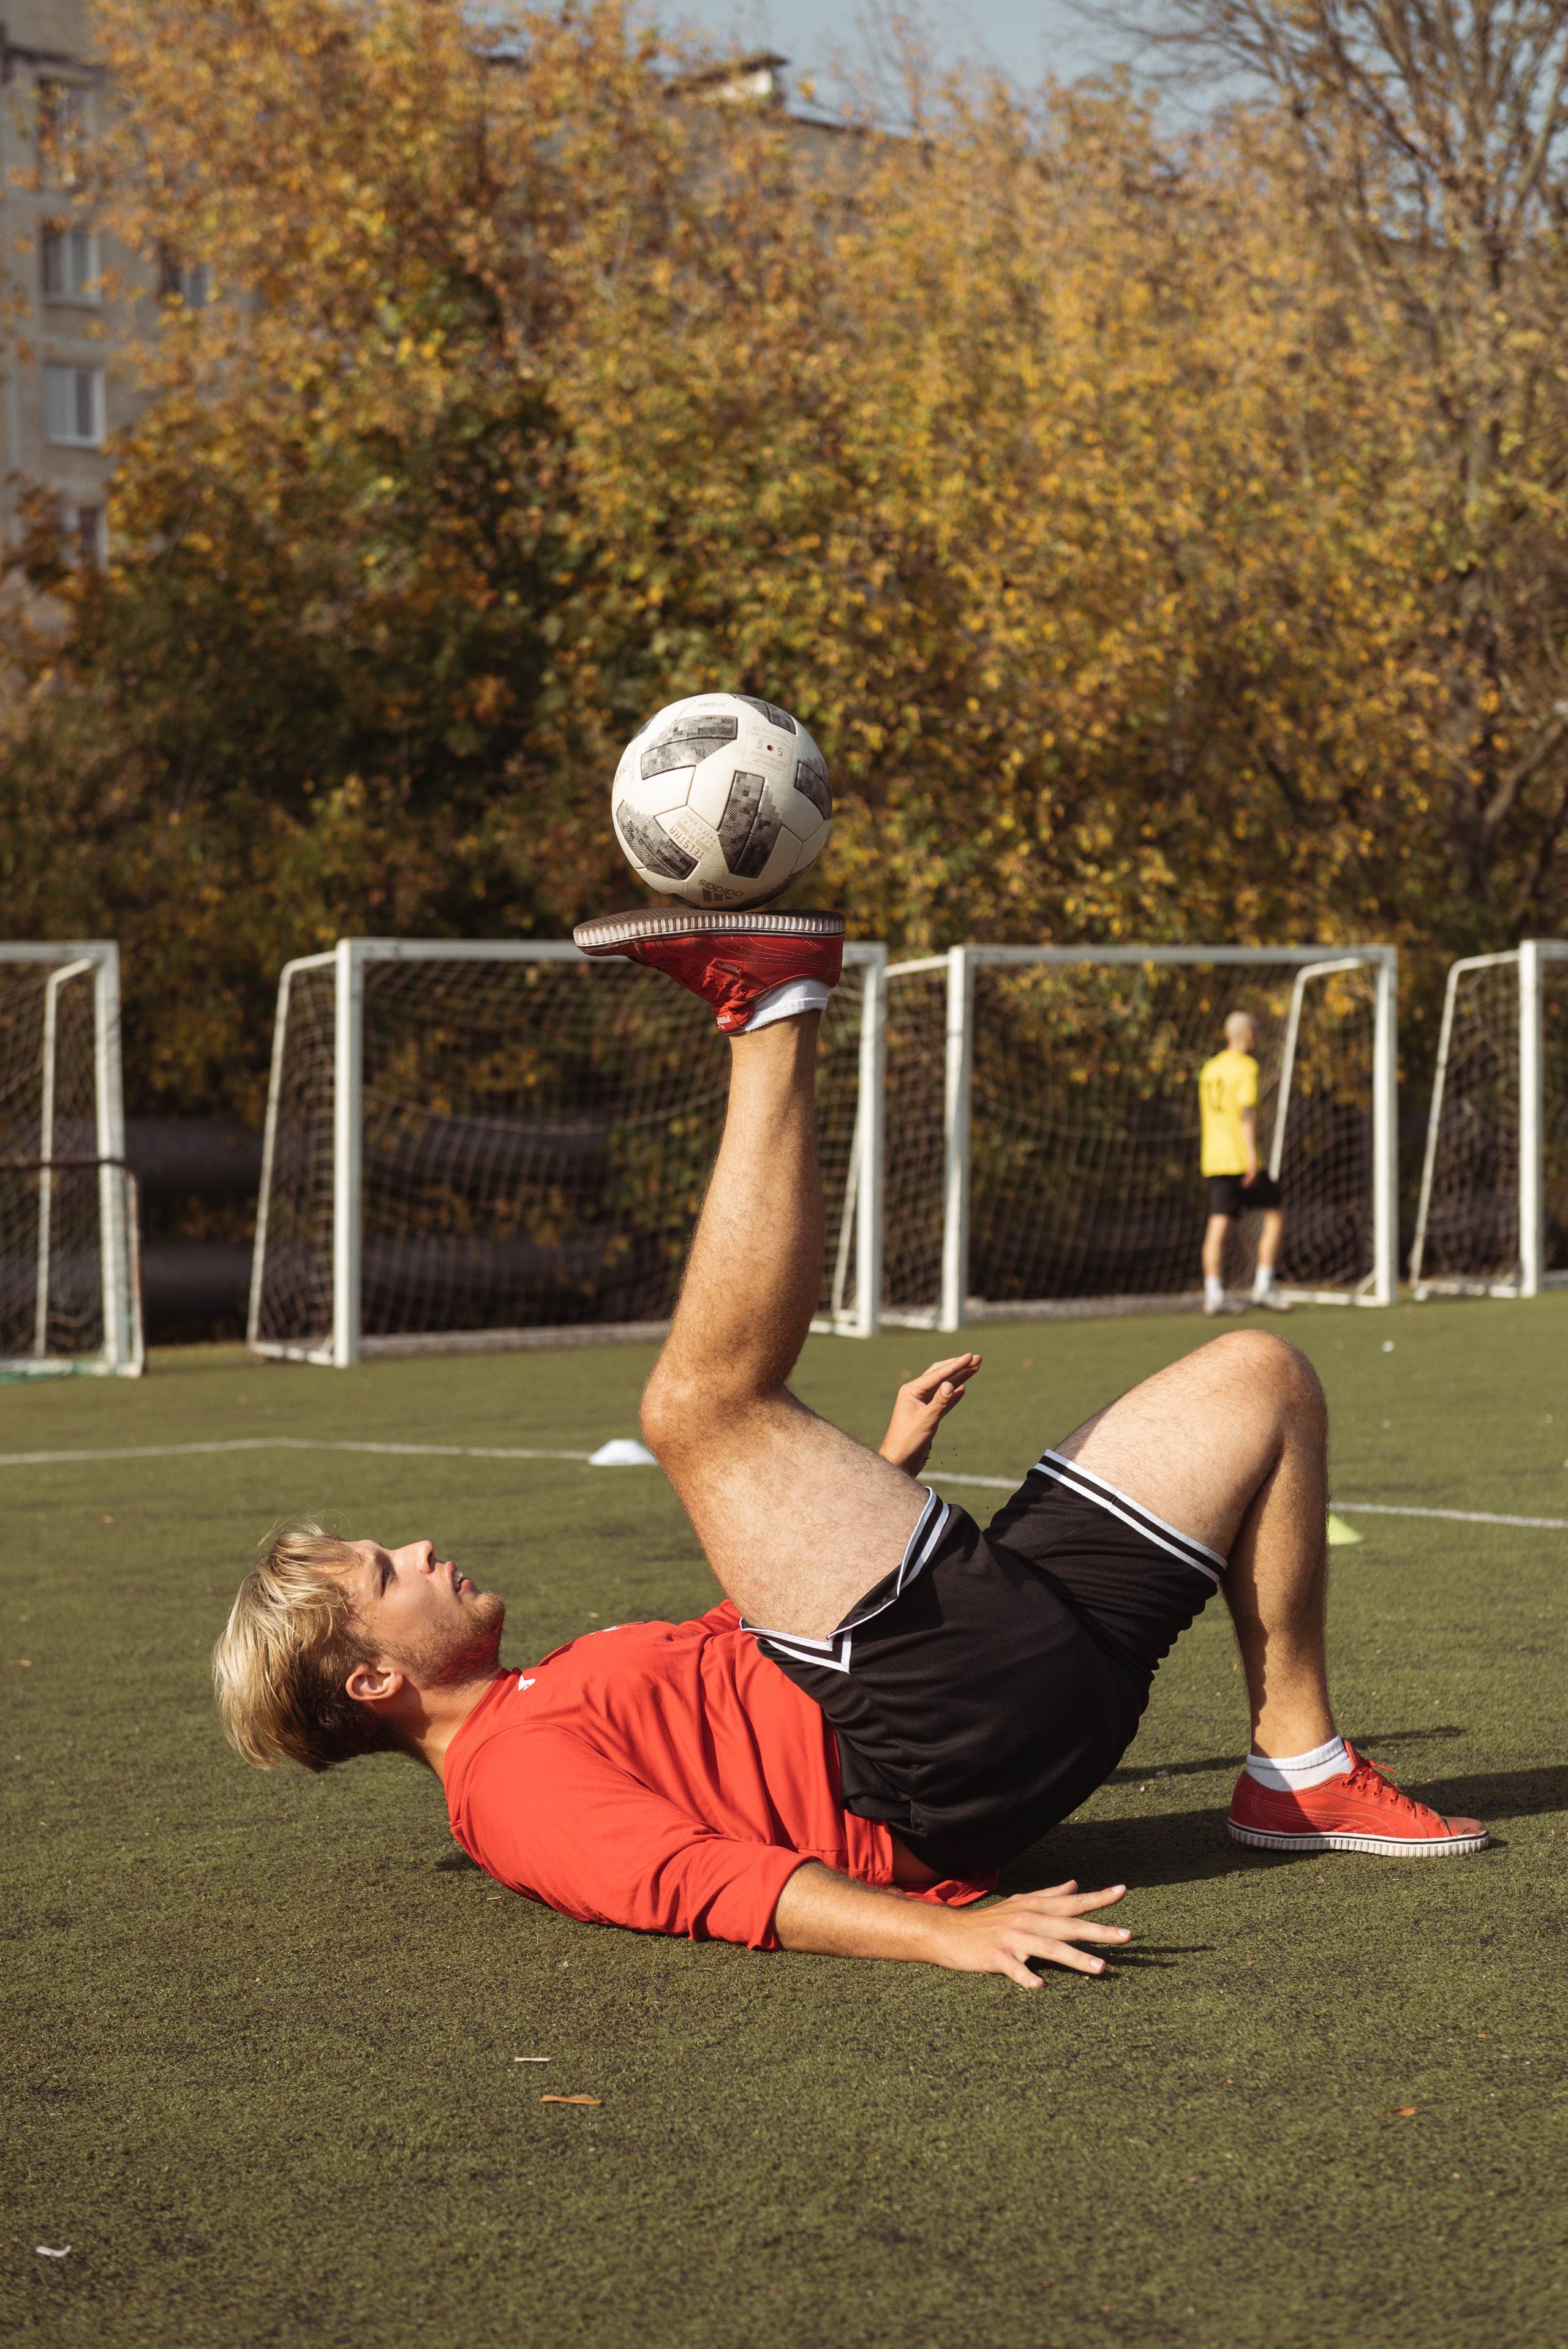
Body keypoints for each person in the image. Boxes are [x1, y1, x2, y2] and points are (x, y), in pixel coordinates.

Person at [214, 912, 1488, 1989]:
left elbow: (743, 1635)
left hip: (991, 1678)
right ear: (376, 1682)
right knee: (700, 1411)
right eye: (387, 1574)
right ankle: (769, 1004)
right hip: (935, 1742)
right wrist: (946, 1937)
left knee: (1258, 1377)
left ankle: (1297, 1770)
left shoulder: (548, 1687)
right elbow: (704, 1881)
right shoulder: (504, 1789)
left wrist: (880, 1466)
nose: (421, 1551)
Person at [1199, 1010, 1289, 1316]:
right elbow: (1245, 1114)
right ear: (1250, 1036)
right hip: (1241, 1158)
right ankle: (1263, 1285)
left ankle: (1214, 1295)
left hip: (1214, 1159)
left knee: (1217, 1227)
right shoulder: (1247, 1066)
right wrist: (1252, 1157)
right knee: (1275, 1215)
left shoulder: (1209, 1070)